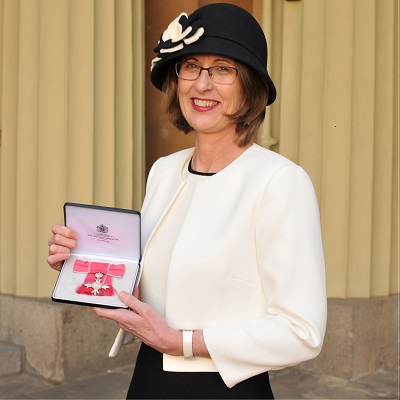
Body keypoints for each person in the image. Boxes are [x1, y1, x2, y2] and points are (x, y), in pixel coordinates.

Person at [47, 3, 327, 399]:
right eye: (191, 66)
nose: (201, 84)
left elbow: (303, 332)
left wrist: (182, 343)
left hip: (224, 388)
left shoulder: (280, 182)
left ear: (250, 86)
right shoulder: (164, 170)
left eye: (222, 69)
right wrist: (82, 262)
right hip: (148, 381)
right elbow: (154, 284)